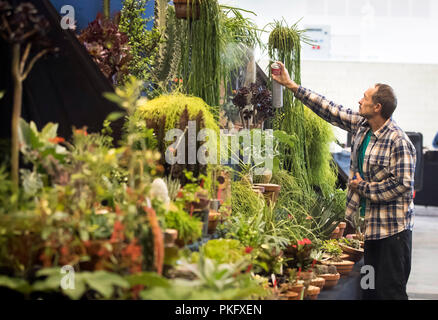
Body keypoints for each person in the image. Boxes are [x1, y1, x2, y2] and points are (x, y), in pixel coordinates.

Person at [272, 61, 416, 300]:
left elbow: (402, 185)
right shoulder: (363, 126)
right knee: (369, 290)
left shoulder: (398, 141)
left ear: (377, 106)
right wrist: (291, 85)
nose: (359, 100)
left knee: (390, 292)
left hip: (392, 233)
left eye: (365, 97)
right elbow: (329, 109)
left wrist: (363, 187)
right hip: (370, 230)